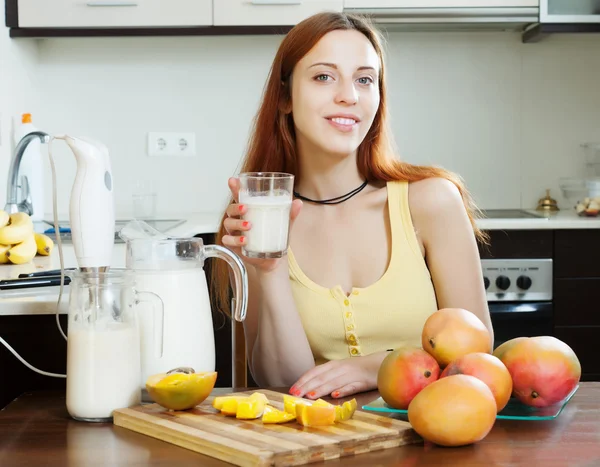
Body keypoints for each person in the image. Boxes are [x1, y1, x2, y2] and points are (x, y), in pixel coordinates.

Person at [212, 11, 493, 401]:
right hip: (317, 449)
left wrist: (376, 365)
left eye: (365, 79)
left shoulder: (430, 200)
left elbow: (477, 355)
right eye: (324, 76)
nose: (349, 95)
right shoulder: (259, 217)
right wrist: (269, 271)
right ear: (284, 97)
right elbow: (282, 382)